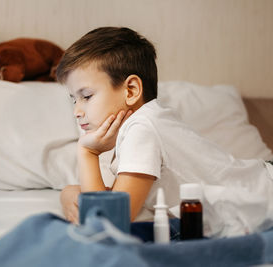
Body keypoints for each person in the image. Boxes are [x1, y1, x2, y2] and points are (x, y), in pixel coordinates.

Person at [55, 26, 273, 237]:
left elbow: (109, 223)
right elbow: (116, 198)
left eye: (86, 96)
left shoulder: (142, 128)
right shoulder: (146, 123)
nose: (77, 111)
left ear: (131, 90)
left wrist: (87, 153)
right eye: (74, 99)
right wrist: (68, 193)